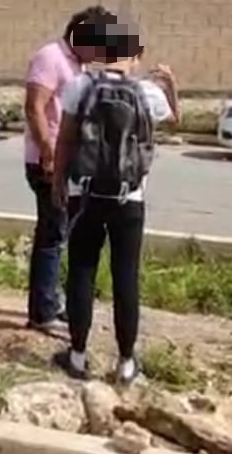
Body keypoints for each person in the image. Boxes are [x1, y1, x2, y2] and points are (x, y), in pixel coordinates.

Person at [52, 22, 177, 384]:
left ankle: (76, 356)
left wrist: (59, 180)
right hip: (129, 197)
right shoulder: (148, 93)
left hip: (86, 194)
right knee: (126, 277)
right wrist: (171, 84)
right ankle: (125, 361)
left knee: (81, 271)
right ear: (135, 56)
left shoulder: (80, 85)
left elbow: (66, 138)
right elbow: (167, 125)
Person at [22, 4, 114, 332]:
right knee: (52, 234)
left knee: (61, 233)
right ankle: (42, 312)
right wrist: (49, 155)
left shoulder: (77, 64)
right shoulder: (51, 57)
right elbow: (35, 108)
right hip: (48, 163)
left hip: (70, 163)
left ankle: (51, 301)